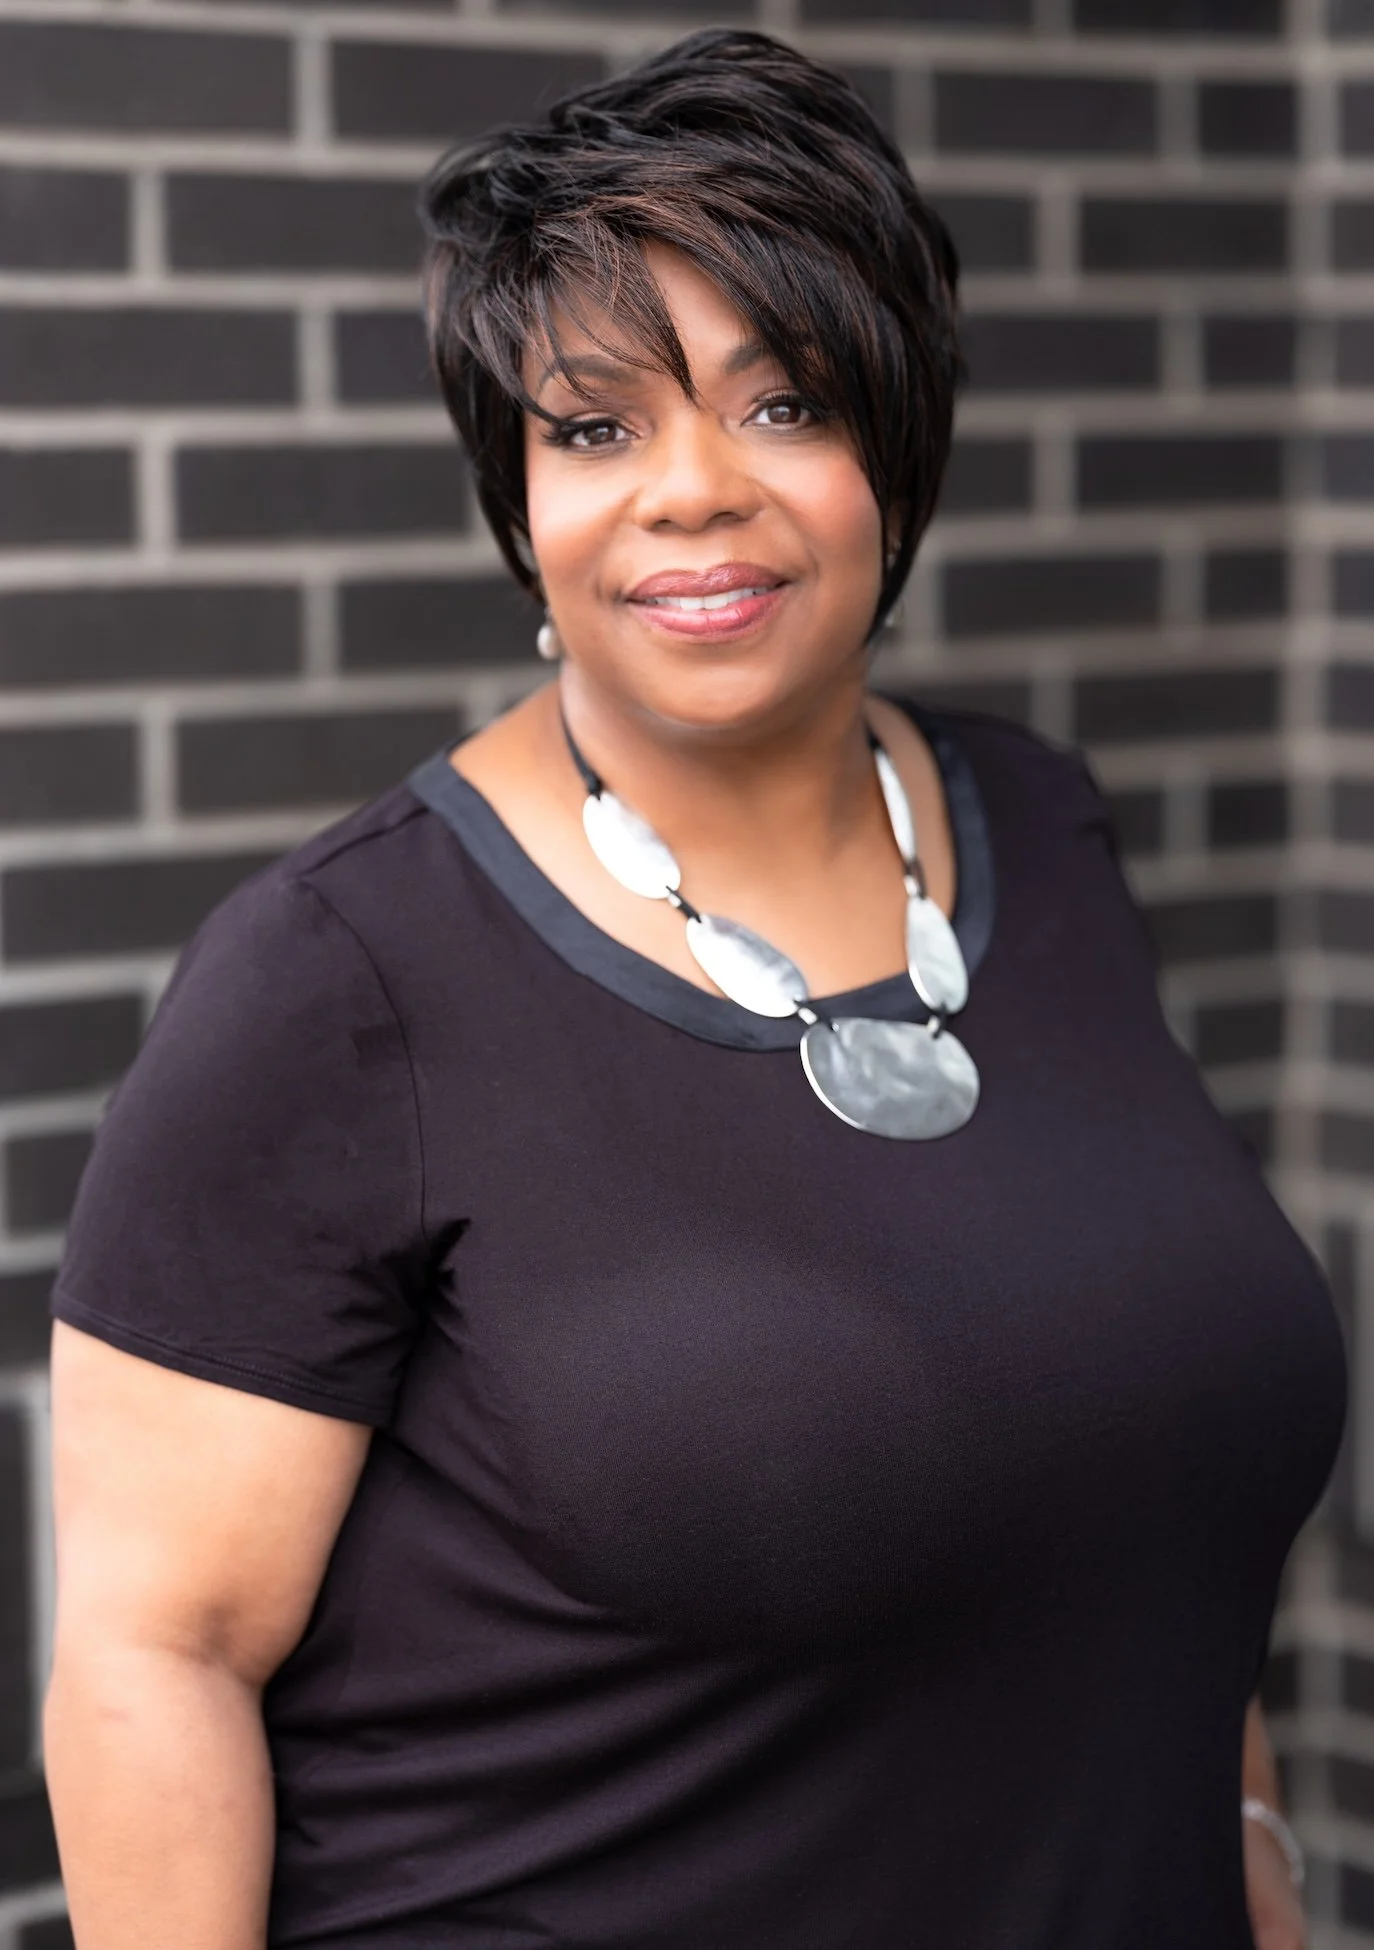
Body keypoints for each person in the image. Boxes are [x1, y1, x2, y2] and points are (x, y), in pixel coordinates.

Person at [43, 29, 1344, 1950]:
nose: (690, 492)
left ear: (893, 445)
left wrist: (1246, 1841)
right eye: (593, 425)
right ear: (518, 490)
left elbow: (1140, 1451)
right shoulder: (338, 978)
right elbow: (156, 1654)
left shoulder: (1041, 832)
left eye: (783, 402)